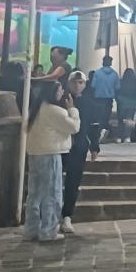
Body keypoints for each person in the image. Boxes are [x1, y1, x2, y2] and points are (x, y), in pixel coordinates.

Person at [24, 80, 81, 243]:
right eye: (60, 89)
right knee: (51, 193)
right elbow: (74, 127)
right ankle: (48, 230)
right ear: (53, 92)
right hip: (50, 153)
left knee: (34, 194)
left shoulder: (35, 109)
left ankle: (31, 229)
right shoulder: (54, 111)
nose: (62, 92)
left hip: (35, 153)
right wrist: (72, 110)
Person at [60, 71, 91, 234]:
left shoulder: (87, 102)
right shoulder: (61, 99)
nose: (77, 86)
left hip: (79, 147)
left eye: (81, 83)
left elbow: (92, 125)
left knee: (73, 182)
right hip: (60, 145)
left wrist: (95, 146)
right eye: (75, 82)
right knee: (56, 180)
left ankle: (67, 216)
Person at [89, 55, 120, 146]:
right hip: (109, 100)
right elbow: (117, 88)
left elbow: (93, 86)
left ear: (103, 62)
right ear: (110, 63)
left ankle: (97, 135)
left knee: (98, 117)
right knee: (106, 117)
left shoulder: (97, 73)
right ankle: (105, 134)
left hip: (98, 99)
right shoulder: (115, 74)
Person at [116, 66, 136, 142]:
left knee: (121, 121)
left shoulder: (121, 81)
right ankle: (129, 137)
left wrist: (117, 99)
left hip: (121, 104)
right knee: (129, 120)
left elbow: (116, 91)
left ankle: (120, 137)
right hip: (132, 105)